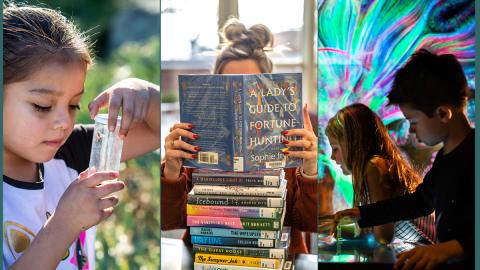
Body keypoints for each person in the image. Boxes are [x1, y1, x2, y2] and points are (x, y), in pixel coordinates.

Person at [3, 4, 160, 269]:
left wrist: (141, 90)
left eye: (73, 105)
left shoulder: (71, 151)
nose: (64, 122)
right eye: (42, 105)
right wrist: (64, 226)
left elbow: (158, 130)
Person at [161, 18, 318, 255]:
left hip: (278, 258)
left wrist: (310, 171)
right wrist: (171, 173)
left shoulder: (289, 142)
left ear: (269, 89)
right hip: (208, 256)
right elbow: (168, 221)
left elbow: (310, 223)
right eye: (228, 87)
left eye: (252, 87)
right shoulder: (197, 140)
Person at [332, 49, 474, 269]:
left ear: (443, 113)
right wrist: (363, 213)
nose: (410, 130)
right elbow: (420, 202)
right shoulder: (445, 159)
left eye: (413, 121)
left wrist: (454, 247)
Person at [325, 103, 436, 245]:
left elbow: (384, 236)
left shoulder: (375, 166)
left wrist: (338, 234)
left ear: (353, 143)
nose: (332, 157)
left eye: (335, 149)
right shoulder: (377, 164)